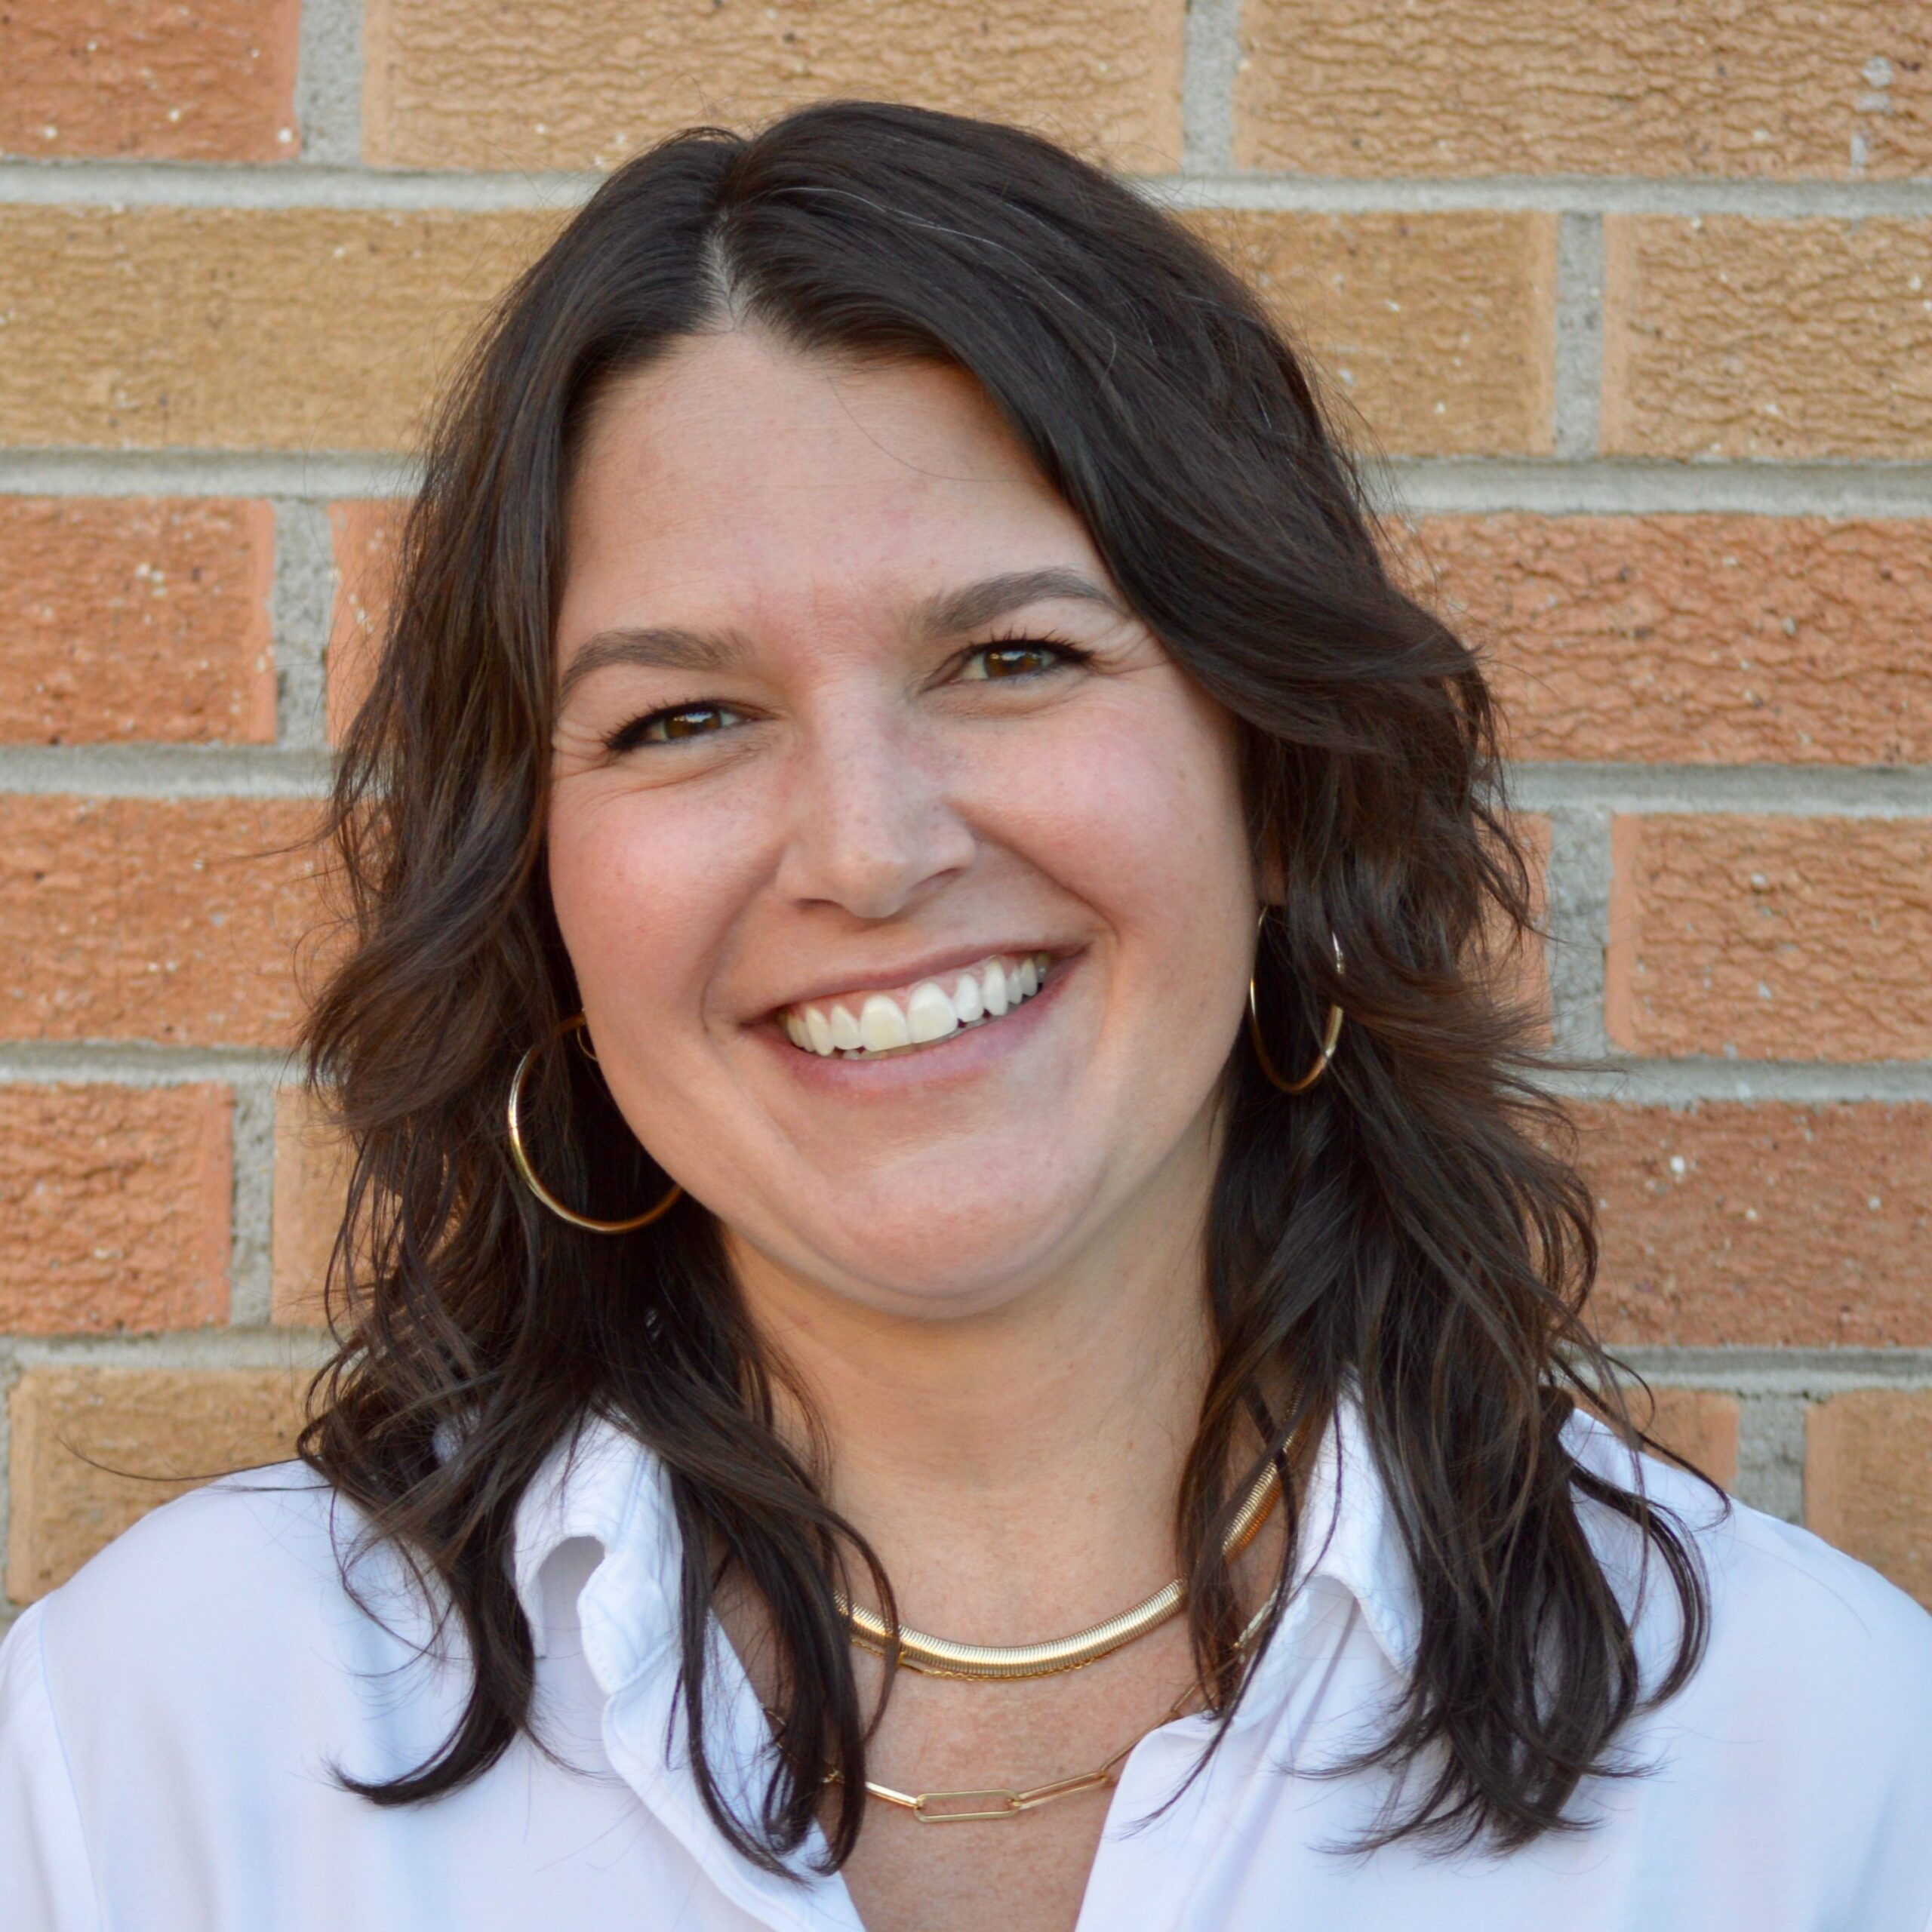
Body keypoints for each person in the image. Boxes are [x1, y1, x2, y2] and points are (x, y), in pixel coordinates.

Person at [2, 100, 1929, 1932]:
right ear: (541, 896)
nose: (865, 845)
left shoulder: (1804, 1760)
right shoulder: (164, 1743)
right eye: (680, 716)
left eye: (1010, 656)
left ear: (1280, 785)